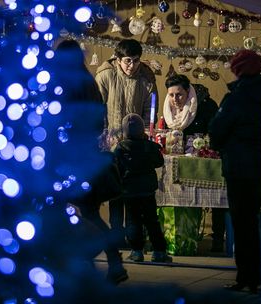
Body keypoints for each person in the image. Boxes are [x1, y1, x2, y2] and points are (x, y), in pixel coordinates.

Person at [52, 39, 128, 285]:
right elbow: (97, 122)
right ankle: (111, 261)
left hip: (67, 159)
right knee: (90, 213)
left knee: (62, 210)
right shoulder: (89, 83)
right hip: (86, 156)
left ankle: (81, 262)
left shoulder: (64, 85)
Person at [208, 49, 261, 293]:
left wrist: (218, 145)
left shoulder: (237, 98)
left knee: (243, 225)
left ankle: (246, 276)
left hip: (240, 168)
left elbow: (217, 129)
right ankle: (253, 276)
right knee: (250, 223)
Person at [95, 39, 158, 248]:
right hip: (112, 143)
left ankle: (136, 239)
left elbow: (150, 110)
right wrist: (104, 134)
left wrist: (145, 134)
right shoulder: (106, 76)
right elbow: (98, 107)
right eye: (127, 61)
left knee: (134, 195)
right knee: (115, 194)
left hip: (136, 144)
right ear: (118, 59)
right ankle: (116, 236)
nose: (132, 66)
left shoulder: (146, 78)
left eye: (136, 61)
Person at [162, 74, 226, 254]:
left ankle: (218, 239)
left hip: (204, 160)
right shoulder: (168, 108)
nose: (175, 99)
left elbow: (215, 132)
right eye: (172, 95)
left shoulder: (205, 106)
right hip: (179, 159)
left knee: (216, 196)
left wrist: (205, 147)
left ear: (188, 91)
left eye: (179, 95)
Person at [113, 113, 172, 263]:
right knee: (152, 220)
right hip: (147, 191)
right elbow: (159, 162)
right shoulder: (149, 146)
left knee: (133, 221)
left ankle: (136, 251)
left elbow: (115, 167)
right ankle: (159, 251)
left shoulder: (120, 148)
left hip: (129, 191)